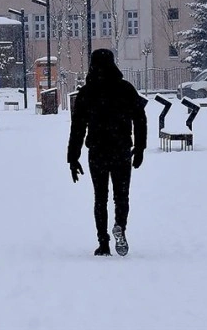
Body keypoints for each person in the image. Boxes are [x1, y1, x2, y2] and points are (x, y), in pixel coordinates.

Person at [67, 49, 147, 257]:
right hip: (121, 151)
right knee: (122, 196)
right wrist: (139, 148)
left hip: (97, 152)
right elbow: (140, 119)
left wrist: (73, 158)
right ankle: (120, 225)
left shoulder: (87, 92)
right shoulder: (125, 89)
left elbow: (77, 127)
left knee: (100, 198)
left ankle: (103, 242)